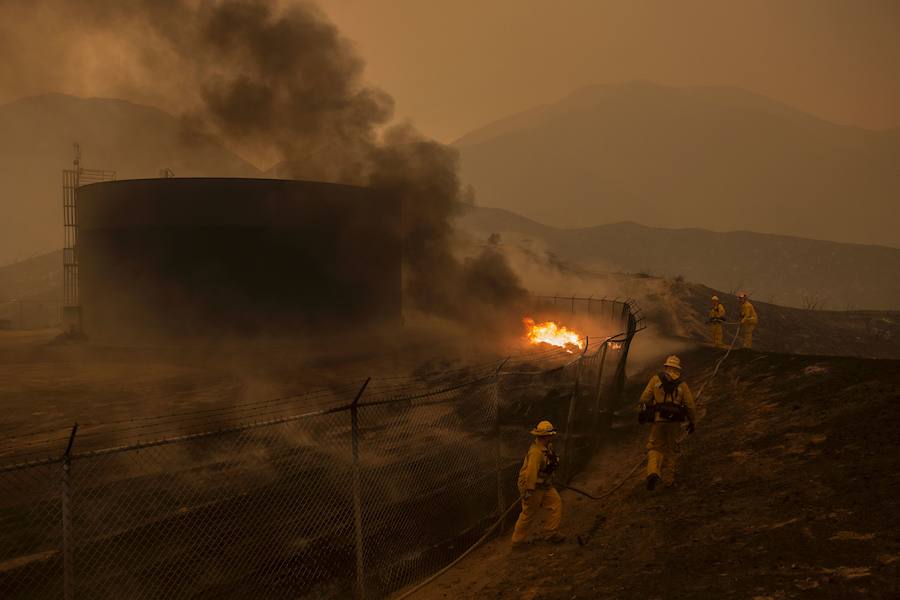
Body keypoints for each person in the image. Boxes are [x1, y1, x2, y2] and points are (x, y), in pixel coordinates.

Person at [638, 355, 696, 490]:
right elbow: (690, 405)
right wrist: (692, 421)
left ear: (666, 367)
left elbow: (643, 399)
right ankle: (669, 481)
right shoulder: (682, 384)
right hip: (674, 423)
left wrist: (645, 411)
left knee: (654, 447)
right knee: (671, 449)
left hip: (658, 420)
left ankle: (653, 472)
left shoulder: (656, 379)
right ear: (677, 369)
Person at [511, 420, 565, 545]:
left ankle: (550, 533)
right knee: (529, 513)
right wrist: (528, 491)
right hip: (532, 485)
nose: (552, 436)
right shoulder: (536, 452)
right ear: (545, 436)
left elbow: (548, 465)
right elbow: (531, 473)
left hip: (543, 484)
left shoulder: (547, 447)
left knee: (555, 503)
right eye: (550, 434)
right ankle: (517, 541)